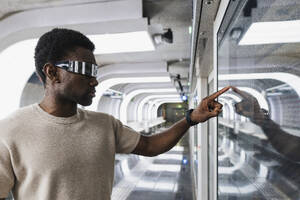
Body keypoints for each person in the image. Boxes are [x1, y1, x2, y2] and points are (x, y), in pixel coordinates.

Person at [0, 28, 230, 200]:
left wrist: (190, 118)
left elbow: (150, 146)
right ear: (53, 73)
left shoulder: (104, 124)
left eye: (96, 71)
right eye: (86, 70)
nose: (95, 80)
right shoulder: (10, 131)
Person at [232, 86, 300, 162]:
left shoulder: (254, 115)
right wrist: (238, 91)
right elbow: (253, 99)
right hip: (287, 143)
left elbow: (252, 100)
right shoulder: (255, 114)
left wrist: (239, 93)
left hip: (284, 144)